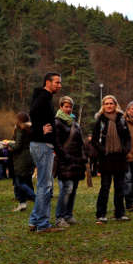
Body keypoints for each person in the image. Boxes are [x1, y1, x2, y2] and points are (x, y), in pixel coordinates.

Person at [28, 73, 63, 232]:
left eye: (60, 83)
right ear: (47, 82)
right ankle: (42, 224)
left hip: (41, 144)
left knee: (43, 184)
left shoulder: (43, 97)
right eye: (57, 82)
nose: (59, 85)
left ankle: (35, 220)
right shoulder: (44, 97)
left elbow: (34, 113)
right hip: (42, 145)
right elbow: (33, 113)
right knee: (45, 186)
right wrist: (39, 130)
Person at [91, 95, 131, 222]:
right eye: (106, 104)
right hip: (106, 158)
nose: (109, 106)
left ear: (115, 105)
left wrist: (125, 150)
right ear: (103, 106)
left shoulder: (122, 119)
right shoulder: (100, 120)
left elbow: (128, 137)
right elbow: (94, 140)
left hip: (120, 157)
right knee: (105, 187)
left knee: (120, 187)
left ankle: (119, 213)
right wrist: (103, 151)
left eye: (111, 103)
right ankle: (101, 214)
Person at [53, 96, 87, 227]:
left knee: (73, 190)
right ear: (61, 107)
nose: (68, 109)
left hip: (77, 161)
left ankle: (68, 215)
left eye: (70, 107)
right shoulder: (57, 123)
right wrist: (65, 156)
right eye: (65, 106)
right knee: (66, 189)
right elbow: (57, 143)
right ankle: (59, 217)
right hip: (64, 161)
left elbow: (81, 143)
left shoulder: (75, 123)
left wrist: (84, 156)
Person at [9, 112, 35, 212]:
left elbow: (18, 145)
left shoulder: (21, 128)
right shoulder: (30, 128)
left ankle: (35, 198)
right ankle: (22, 204)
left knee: (19, 182)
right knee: (27, 180)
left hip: (21, 158)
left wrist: (9, 145)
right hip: (30, 156)